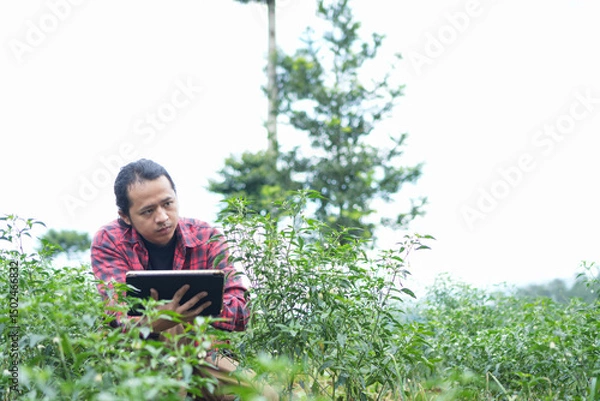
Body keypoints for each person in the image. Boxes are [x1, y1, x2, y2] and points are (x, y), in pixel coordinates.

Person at [90, 158, 277, 401]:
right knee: (171, 327)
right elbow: (119, 318)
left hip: (204, 348)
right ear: (125, 216)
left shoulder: (206, 236)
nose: (162, 217)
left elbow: (241, 313)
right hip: (141, 352)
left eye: (168, 204)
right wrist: (161, 320)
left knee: (264, 395)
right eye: (148, 211)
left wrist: (198, 307)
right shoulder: (109, 241)